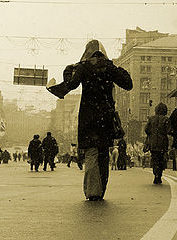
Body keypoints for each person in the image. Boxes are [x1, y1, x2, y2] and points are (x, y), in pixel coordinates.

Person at [47, 39, 132, 201]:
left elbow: (70, 85)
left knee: (92, 153)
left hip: (88, 116)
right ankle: (101, 190)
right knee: (103, 154)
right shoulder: (108, 67)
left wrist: (68, 70)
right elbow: (128, 84)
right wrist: (120, 69)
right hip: (106, 117)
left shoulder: (83, 67)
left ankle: (93, 190)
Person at [145, 103, 171, 184]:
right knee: (161, 159)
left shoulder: (151, 119)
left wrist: (152, 134)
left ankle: (155, 173)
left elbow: (146, 129)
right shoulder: (166, 119)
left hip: (153, 142)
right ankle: (159, 174)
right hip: (162, 142)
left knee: (154, 158)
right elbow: (169, 130)